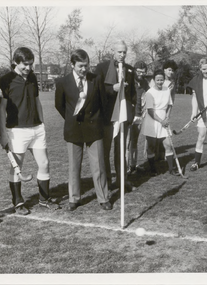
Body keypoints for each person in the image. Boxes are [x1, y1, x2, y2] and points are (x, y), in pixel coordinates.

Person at [0, 47, 59, 215]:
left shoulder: (32, 77)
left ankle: (44, 199)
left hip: (37, 128)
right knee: (17, 167)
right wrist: (3, 134)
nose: (29, 68)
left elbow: (37, 101)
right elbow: (1, 110)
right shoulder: (5, 80)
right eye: (25, 65)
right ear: (15, 62)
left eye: (31, 64)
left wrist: (42, 123)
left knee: (44, 163)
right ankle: (18, 202)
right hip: (17, 131)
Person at [55, 49, 112, 211]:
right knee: (74, 166)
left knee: (98, 166)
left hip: (94, 130)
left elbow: (103, 103)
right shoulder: (62, 82)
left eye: (86, 65)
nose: (84, 69)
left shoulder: (96, 79)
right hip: (73, 130)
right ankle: (74, 198)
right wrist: (72, 119)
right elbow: (59, 105)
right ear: (72, 65)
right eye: (80, 66)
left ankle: (103, 197)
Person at [95, 40, 136, 191]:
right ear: (113, 52)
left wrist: (131, 115)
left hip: (123, 115)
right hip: (106, 116)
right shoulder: (102, 68)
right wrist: (113, 88)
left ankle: (122, 181)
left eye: (124, 52)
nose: (122, 55)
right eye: (119, 52)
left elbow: (132, 95)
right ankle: (106, 182)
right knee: (105, 150)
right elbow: (97, 90)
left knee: (121, 150)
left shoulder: (130, 70)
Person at [141, 69, 180, 176]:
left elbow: (170, 105)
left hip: (164, 119)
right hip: (152, 121)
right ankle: (152, 169)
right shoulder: (150, 93)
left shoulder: (167, 90)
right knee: (152, 146)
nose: (159, 82)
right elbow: (150, 110)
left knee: (168, 145)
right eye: (157, 80)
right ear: (154, 80)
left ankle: (171, 169)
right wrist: (161, 120)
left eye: (161, 80)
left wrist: (167, 117)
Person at [126, 61, 149, 175]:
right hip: (129, 115)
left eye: (143, 72)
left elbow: (148, 97)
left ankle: (133, 165)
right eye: (138, 71)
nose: (140, 74)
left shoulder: (145, 83)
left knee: (134, 141)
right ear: (134, 70)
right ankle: (125, 167)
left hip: (140, 115)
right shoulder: (129, 80)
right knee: (126, 142)